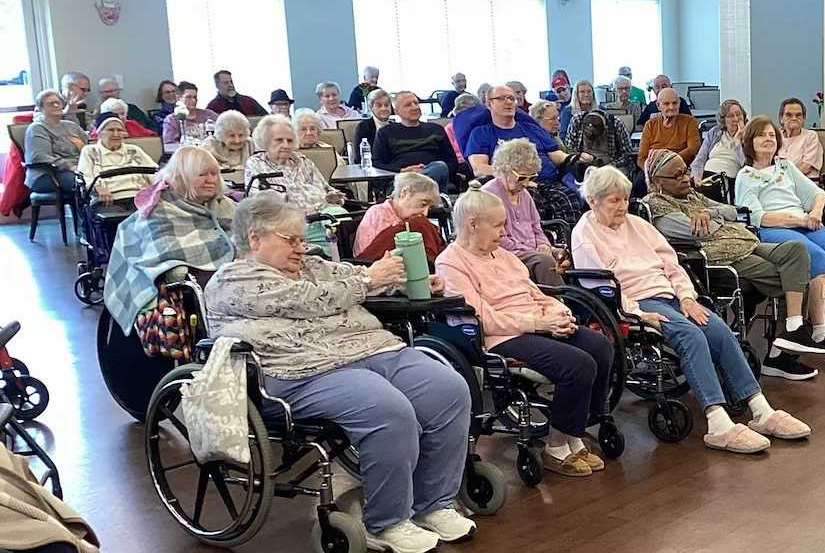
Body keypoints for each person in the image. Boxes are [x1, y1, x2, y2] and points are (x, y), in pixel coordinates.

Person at [205, 194, 476, 552]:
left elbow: (350, 275)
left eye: (302, 239)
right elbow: (306, 298)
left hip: (369, 349)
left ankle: (434, 505)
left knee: (449, 390)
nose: (301, 248)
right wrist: (367, 280)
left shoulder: (312, 266)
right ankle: (387, 522)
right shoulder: (232, 281)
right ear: (254, 238)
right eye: (291, 240)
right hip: (301, 371)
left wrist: (401, 279)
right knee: (389, 410)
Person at [572, 165, 812, 453]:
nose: (623, 206)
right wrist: (637, 313)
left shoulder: (638, 225)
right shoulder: (585, 234)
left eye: (624, 199)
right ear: (593, 201)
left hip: (671, 295)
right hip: (637, 302)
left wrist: (687, 297)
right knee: (691, 336)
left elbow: (671, 262)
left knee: (718, 330)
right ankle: (717, 422)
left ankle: (761, 410)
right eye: (614, 201)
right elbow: (600, 285)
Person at [436, 184, 613, 475]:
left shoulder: (504, 256)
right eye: (497, 225)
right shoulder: (451, 262)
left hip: (536, 325)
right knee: (577, 364)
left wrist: (558, 313)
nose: (504, 232)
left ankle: (574, 432)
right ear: (472, 224)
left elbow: (536, 293)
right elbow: (482, 318)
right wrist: (538, 323)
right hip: (501, 337)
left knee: (599, 345)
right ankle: (556, 447)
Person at [642, 150, 825, 380]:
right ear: (658, 182)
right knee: (794, 277)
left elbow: (733, 210)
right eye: (677, 175)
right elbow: (699, 231)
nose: (686, 178)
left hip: (745, 241)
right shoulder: (657, 205)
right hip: (722, 256)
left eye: (686, 171)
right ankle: (780, 355)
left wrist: (710, 212)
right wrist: (717, 218)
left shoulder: (692, 196)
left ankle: (793, 329)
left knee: (796, 251)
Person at [735, 116, 825, 355]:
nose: (768, 139)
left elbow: (817, 193)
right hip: (773, 229)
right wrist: (799, 220)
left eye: (772, 135)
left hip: (805, 222)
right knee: (816, 257)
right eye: (761, 135)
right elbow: (757, 217)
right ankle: (820, 331)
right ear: (750, 142)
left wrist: (815, 212)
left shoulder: (785, 166)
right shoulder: (746, 175)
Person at [104, 146, 237, 335]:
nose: (211, 180)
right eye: (202, 175)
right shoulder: (159, 209)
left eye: (214, 174)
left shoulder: (224, 205)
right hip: (192, 285)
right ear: (182, 177)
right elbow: (163, 252)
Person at [465, 89, 583, 224]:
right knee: (533, 202)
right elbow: (479, 168)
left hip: (548, 182)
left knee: (568, 198)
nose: (508, 102)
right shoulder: (481, 133)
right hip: (513, 186)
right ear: (488, 104)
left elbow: (555, 154)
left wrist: (575, 158)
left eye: (511, 98)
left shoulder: (531, 128)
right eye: (502, 98)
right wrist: (522, 179)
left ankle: (566, 236)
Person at [245, 116, 348, 251]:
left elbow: (325, 188)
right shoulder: (257, 164)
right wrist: (298, 212)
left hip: (322, 214)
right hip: (287, 223)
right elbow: (259, 203)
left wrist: (332, 197)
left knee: (341, 218)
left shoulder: (304, 161)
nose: (286, 145)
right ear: (265, 141)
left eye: (290, 140)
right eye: (279, 140)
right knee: (337, 232)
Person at [483, 139, 566, 286]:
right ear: (506, 169)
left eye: (531, 177)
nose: (526, 183)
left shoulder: (525, 194)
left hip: (533, 251)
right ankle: (560, 298)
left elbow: (536, 227)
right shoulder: (489, 195)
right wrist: (531, 250)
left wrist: (544, 244)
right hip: (508, 253)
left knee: (564, 256)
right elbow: (496, 238)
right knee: (544, 261)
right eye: (521, 177)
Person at [375, 91, 459, 192]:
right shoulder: (386, 132)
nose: (415, 107)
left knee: (440, 167)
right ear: (396, 111)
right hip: (401, 178)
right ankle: (409, 187)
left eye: (416, 103)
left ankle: (407, 190)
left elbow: (452, 163)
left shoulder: (436, 130)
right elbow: (377, 164)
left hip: (433, 177)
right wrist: (401, 171)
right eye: (408, 105)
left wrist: (425, 172)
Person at [353, 171, 444, 262]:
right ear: (404, 193)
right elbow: (373, 257)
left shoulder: (411, 219)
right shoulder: (378, 213)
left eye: (429, 208)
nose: (425, 213)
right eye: (423, 204)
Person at [78, 115, 156, 210]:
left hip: (139, 198)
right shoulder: (90, 151)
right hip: (108, 200)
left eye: (119, 130)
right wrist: (98, 187)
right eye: (111, 130)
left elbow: (154, 172)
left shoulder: (134, 150)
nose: (116, 134)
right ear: (99, 133)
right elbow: (85, 175)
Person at [24, 89, 87, 197]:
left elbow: (89, 146)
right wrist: (69, 166)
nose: (56, 105)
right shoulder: (37, 128)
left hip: (78, 169)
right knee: (85, 183)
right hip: (47, 174)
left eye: (58, 102)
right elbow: (39, 156)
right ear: (42, 108)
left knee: (104, 178)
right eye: (50, 104)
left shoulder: (71, 126)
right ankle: (89, 208)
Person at [635, 87, 701, 169]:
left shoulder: (690, 122)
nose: (671, 107)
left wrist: (669, 162)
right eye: (666, 104)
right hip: (654, 168)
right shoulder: (650, 125)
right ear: (658, 106)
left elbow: (694, 148)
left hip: (680, 166)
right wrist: (650, 171)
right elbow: (642, 157)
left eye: (675, 103)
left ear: (679, 104)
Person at [569, 109, 637, 181]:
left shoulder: (616, 124)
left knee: (611, 180)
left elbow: (627, 154)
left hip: (611, 164)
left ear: (605, 128)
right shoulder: (577, 121)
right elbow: (569, 149)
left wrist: (606, 167)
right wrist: (578, 156)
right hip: (583, 164)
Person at [691, 99, 747, 183]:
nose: (736, 119)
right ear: (724, 121)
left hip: (727, 180)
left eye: (738, 114)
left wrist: (738, 141)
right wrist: (696, 176)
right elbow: (699, 159)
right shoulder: (714, 132)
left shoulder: (750, 136)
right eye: (730, 116)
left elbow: (747, 165)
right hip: (706, 176)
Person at [776, 98, 822, 179]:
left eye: (798, 115)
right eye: (789, 115)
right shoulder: (776, 135)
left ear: (803, 118)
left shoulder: (811, 136)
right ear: (781, 118)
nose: (794, 118)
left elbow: (806, 167)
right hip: (778, 181)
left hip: (803, 181)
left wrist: (784, 178)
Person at [354, 87, 394, 154]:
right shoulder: (363, 127)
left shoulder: (395, 125)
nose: (383, 108)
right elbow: (358, 155)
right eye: (379, 105)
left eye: (386, 105)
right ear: (371, 108)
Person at [93, 97, 157, 138]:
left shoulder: (131, 124)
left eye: (122, 113)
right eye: (116, 114)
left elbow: (153, 137)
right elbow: (93, 142)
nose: (121, 117)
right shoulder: (99, 129)